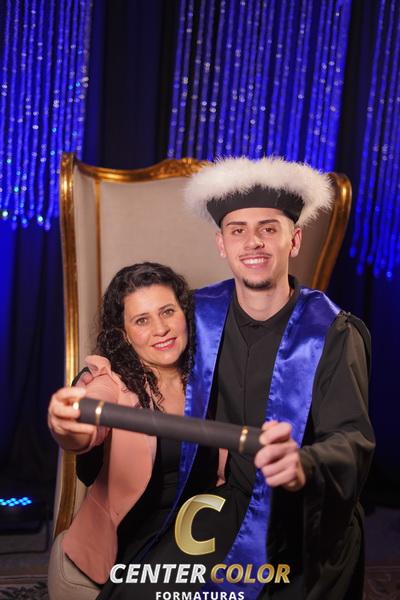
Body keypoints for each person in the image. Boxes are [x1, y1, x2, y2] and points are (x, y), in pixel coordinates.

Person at [178, 156, 375, 599]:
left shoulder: (333, 331)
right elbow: (133, 360)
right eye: (238, 230)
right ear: (221, 244)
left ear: (295, 239)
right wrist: (92, 378)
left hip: (306, 523)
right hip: (221, 510)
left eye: (269, 228)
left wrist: (303, 464)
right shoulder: (196, 315)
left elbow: (351, 441)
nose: (253, 242)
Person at [47, 262, 202, 599]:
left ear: (184, 314)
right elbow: (89, 421)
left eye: (167, 312)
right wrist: (69, 424)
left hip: (203, 529)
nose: (160, 329)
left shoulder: (210, 373)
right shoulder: (111, 382)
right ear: (124, 334)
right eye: (142, 320)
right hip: (136, 539)